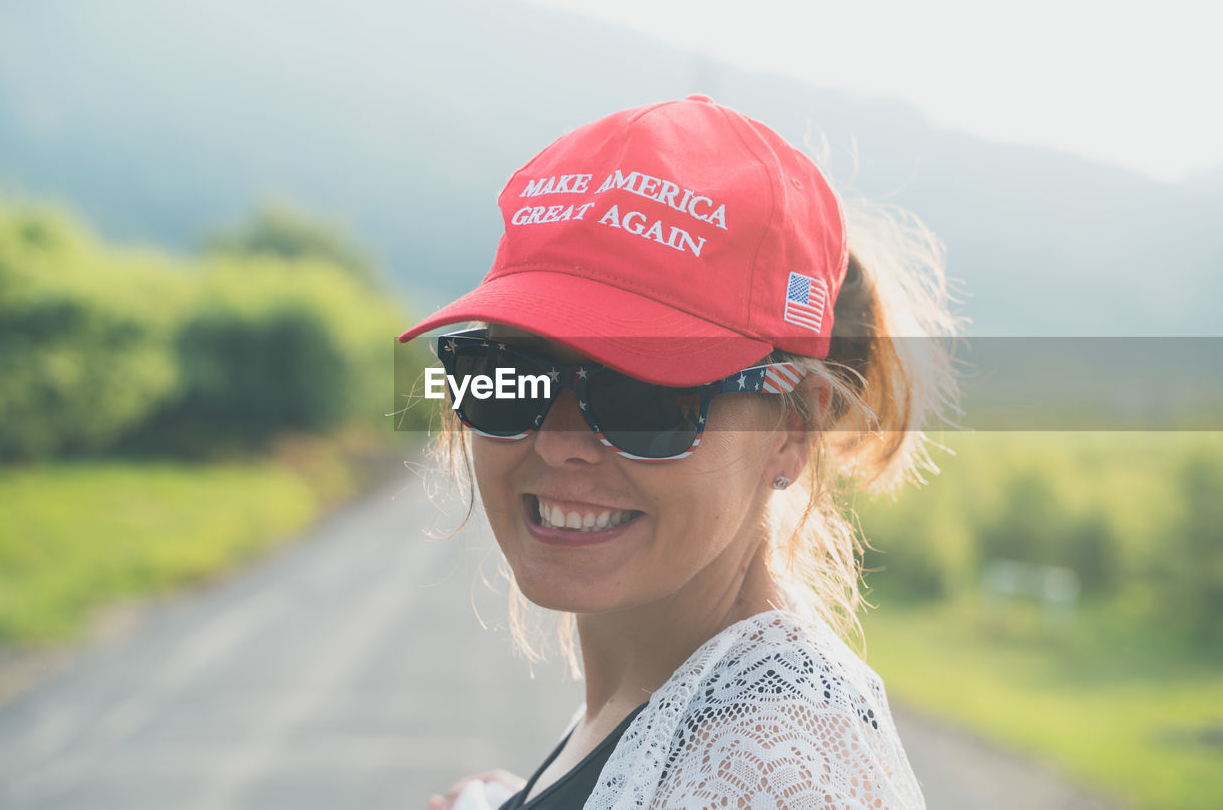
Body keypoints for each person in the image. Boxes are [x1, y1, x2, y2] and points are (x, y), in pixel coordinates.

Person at [400, 96, 957, 809]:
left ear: (791, 431)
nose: (560, 440)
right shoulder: (675, 710)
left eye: (644, 395)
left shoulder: (774, 775)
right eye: (510, 376)